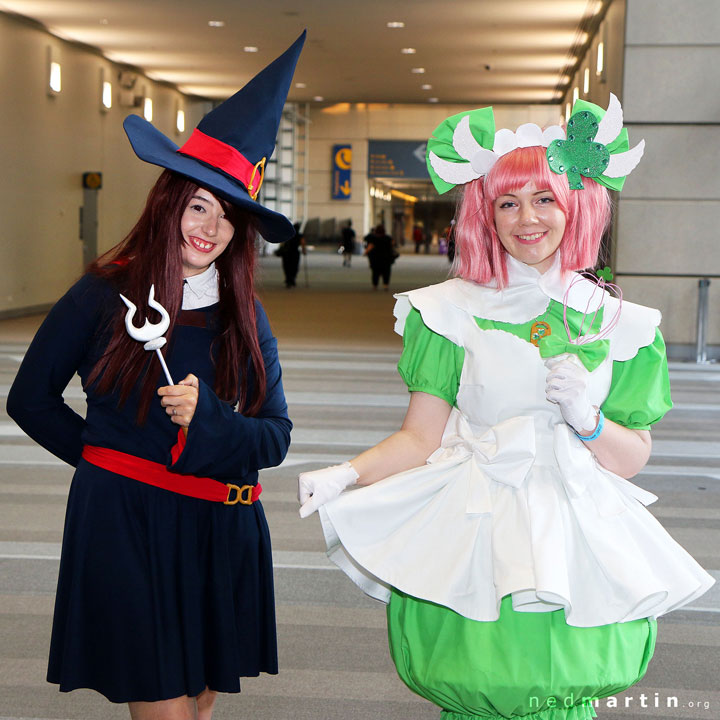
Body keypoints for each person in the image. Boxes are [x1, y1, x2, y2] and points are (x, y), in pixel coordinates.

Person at [297, 96, 714, 720]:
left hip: (574, 529)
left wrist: (587, 420)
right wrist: (346, 474)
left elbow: (630, 460)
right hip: (476, 520)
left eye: (545, 198)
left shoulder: (621, 325)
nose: (528, 219)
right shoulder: (446, 311)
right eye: (508, 202)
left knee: (565, 685)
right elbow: (420, 438)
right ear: (484, 214)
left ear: (576, 205)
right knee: (471, 680)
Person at [6, 32, 305, 719]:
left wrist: (211, 420)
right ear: (169, 201)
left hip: (222, 531)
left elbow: (276, 435)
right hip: (130, 525)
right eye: (199, 205)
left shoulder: (244, 313)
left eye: (229, 216)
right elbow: (31, 399)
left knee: (198, 707)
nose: (212, 227)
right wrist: (109, 464)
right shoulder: (104, 293)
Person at [364, 223, 395, 291]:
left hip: (376, 258)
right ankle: (385, 285)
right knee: (386, 272)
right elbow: (392, 244)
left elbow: (370, 246)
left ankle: (375, 285)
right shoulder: (388, 238)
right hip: (386, 258)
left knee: (375, 272)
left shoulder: (374, 238)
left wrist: (365, 252)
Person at [281, 221, 305, 288]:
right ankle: (292, 279)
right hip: (295, 253)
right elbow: (303, 243)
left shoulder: (288, 234)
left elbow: (282, 243)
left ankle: (288, 279)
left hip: (286, 253)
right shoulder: (300, 235)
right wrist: (304, 251)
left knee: (287, 267)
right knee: (294, 267)